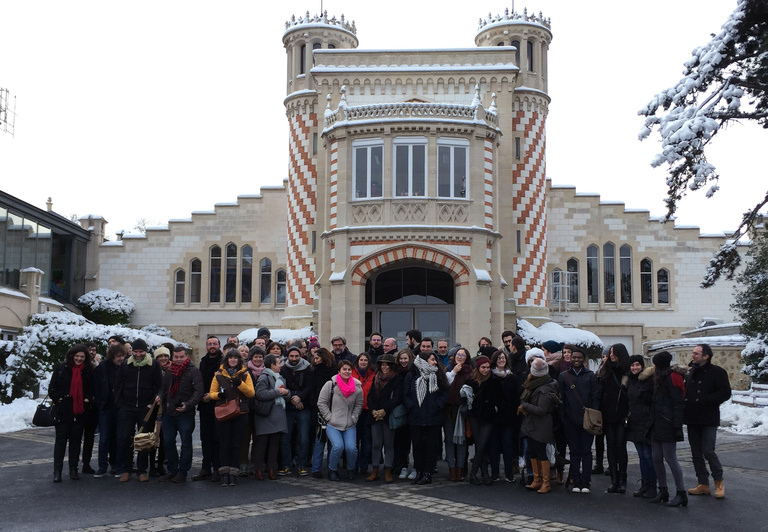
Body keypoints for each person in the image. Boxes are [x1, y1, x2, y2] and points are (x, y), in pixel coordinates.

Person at [685, 343, 732, 499]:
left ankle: (719, 482)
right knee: (696, 453)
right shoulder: (691, 371)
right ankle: (703, 484)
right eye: (693, 353)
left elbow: (725, 393)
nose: (693, 355)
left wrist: (705, 400)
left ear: (706, 356)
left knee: (708, 451)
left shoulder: (717, 372)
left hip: (708, 418)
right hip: (692, 418)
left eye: (696, 353)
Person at [114, 338, 163, 482]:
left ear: (145, 351)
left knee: (144, 440)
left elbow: (159, 385)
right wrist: (120, 404)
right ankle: (126, 469)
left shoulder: (153, 365)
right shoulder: (125, 364)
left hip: (146, 408)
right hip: (127, 407)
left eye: (141, 351)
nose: (138, 354)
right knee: (125, 439)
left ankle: (142, 471)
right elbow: (118, 386)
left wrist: (152, 402)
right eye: (135, 351)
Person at [209, 348, 255, 486]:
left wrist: (239, 384)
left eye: (235, 358)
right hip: (224, 412)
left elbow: (251, 393)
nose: (233, 360)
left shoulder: (245, 374)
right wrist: (219, 395)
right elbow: (211, 393)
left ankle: (233, 473)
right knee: (224, 443)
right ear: (227, 360)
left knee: (236, 444)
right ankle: (224, 473)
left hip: (240, 413)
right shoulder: (218, 374)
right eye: (230, 358)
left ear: (239, 360)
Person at [49, 344, 95, 482]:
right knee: (60, 442)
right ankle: (57, 471)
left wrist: (87, 399)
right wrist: (60, 398)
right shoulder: (61, 368)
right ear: (72, 356)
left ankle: (73, 469)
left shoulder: (88, 370)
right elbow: (52, 388)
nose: (79, 359)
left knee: (76, 442)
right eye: (77, 356)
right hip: (63, 411)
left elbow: (92, 389)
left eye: (82, 356)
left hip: (80, 412)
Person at [158, 346, 203, 483]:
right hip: (169, 413)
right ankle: (172, 470)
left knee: (186, 443)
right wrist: (159, 396)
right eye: (176, 357)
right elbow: (164, 388)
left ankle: (182, 471)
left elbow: (199, 391)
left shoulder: (193, 371)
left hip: (186, 413)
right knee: (168, 442)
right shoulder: (170, 371)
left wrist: (188, 405)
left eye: (181, 357)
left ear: (186, 357)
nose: (178, 360)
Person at [648, 351, 688, 507]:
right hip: (657, 423)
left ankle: (681, 493)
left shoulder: (672, 377)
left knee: (671, 459)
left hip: (668, 423)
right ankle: (663, 490)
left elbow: (678, 403)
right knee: (656, 458)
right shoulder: (659, 378)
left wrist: (676, 425)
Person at [403, 351, 448, 485]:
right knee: (417, 446)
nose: (435, 362)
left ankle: (428, 473)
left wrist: (437, 405)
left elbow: (445, 392)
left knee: (430, 447)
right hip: (416, 417)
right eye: (432, 360)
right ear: (423, 360)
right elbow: (406, 394)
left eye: (435, 360)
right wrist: (412, 407)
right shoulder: (411, 375)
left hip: (433, 417)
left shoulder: (438, 375)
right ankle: (419, 471)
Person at [558, 348, 599, 493]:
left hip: (587, 420)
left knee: (586, 451)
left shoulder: (590, 376)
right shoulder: (564, 376)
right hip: (570, 420)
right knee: (574, 451)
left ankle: (586, 481)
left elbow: (595, 397)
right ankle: (576, 479)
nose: (576, 359)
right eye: (574, 357)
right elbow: (560, 398)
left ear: (583, 359)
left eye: (579, 357)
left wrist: (592, 415)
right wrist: (563, 417)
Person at [519, 357, 560, 494]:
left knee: (540, 452)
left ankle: (545, 482)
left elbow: (541, 410)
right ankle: (537, 480)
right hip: (532, 424)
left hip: (541, 425)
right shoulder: (535, 383)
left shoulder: (545, 388)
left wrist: (524, 405)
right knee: (532, 450)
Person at [317, 359, 363, 481]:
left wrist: (354, 417)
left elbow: (359, 404)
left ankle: (351, 469)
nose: (347, 372)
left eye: (349, 369)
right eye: (344, 369)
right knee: (338, 446)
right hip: (333, 423)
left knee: (351, 448)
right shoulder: (330, 385)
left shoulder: (357, 386)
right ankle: (332, 470)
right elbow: (321, 403)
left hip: (349, 423)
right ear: (339, 371)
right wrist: (329, 417)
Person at [366, 353, 403, 483]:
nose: (384, 366)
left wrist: (384, 410)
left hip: (388, 415)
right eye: (382, 364)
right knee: (376, 444)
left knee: (388, 444)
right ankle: (375, 470)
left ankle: (387, 470)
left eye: (387, 364)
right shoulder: (375, 378)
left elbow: (397, 398)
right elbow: (370, 397)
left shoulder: (396, 379)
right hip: (375, 416)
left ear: (392, 366)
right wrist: (374, 411)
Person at [599, 343, 630, 493]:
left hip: (622, 415)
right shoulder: (606, 369)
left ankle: (623, 479)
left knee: (620, 447)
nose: (611, 355)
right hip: (608, 414)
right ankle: (614, 479)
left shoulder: (626, 370)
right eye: (610, 352)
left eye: (614, 352)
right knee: (610, 447)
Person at [254, 353, 290, 480]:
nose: (281, 365)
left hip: (278, 414)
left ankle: (271, 469)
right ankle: (258, 470)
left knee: (275, 444)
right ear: (272, 365)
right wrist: (278, 392)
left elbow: (286, 394)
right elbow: (260, 394)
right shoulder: (264, 377)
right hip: (266, 415)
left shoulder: (280, 377)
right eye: (279, 363)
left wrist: (286, 393)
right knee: (262, 444)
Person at [626, 354, 657, 498]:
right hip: (634, 422)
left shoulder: (649, 381)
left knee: (648, 456)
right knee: (642, 456)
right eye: (632, 365)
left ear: (642, 366)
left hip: (646, 422)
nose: (635, 368)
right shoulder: (629, 381)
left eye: (637, 365)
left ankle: (653, 486)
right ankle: (645, 484)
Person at [278, 345, 312, 476]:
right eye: (291, 356)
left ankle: (301, 464)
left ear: (300, 356)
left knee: (303, 438)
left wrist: (300, 398)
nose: (294, 358)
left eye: (296, 356)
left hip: (304, 405)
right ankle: (286, 464)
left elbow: (310, 386)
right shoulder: (283, 369)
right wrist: (293, 398)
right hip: (288, 406)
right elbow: (282, 386)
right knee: (285, 437)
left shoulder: (308, 367)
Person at [488, 349, 521, 483]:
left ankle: (509, 474)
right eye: (499, 358)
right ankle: (495, 474)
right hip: (493, 416)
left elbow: (515, 397)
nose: (502, 360)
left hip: (507, 417)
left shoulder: (512, 377)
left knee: (508, 446)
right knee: (493, 447)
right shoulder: (490, 376)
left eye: (503, 358)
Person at [194, 335, 224, 482]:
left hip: (219, 404)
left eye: (215, 344)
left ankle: (217, 468)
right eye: (210, 344)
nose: (212, 346)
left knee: (217, 438)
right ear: (206, 346)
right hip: (205, 406)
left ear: (219, 346)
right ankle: (205, 468)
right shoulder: (203, 362)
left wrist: (211, 396)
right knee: (205, 438)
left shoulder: (223, 361)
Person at [93, 343, 126, 478]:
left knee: (120, 438)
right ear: (112, 356)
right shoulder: (102, 368)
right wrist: (100, 402)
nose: (121, 359)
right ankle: (102, 466)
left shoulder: (125, 368)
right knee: (104, 438)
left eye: (122, 356)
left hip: (121, 408)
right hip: (106, 407)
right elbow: (96, 385)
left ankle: (118, 466)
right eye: (118, 356)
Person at [468, 355, 501, 485]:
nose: (486, 370)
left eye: (488, 367)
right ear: (478, 368)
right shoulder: (471, 380)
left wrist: (494, 408)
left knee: (482, 445)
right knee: (479, 445)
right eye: (483, 367)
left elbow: (500, 398)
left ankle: (473, 473)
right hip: (475, 416)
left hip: (488, 417)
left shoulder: (494, 381)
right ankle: (484, 473)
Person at [444, 347, 472, 482]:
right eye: (458, 354)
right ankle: (452, 469)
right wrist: (454, 372)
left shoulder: (470, 373)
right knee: (449, 441)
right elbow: (444, 387)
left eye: (463, 355)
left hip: (462, 411)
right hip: (449, 410)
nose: (460, 357)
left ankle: (460, 468)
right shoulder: (448, 370)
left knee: (461, 441)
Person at [310, 347, 337, 478]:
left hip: (334, 409)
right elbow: (312, 390)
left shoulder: (335, 371)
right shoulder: (314, 372)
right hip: (319, 409)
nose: (314, 361)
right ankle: (316, 468)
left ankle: (332, 468)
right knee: (320, 440)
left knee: (333, 441)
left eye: (317, 358)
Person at [149, 346, 171, 477]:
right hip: (153, 407)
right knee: (152, 438)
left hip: (167, 408)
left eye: (165, 356)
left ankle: (161, 464)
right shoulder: (151, 369)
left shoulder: (173, 369)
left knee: (164, 438)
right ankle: (152, 465)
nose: (163, 358)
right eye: (160, 356)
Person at [394, 348, 416, 479]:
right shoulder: (395, 373)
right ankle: (402, 465)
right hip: (399, 410)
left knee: (414, 441)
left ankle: (414, 467)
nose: (403, 361)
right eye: (401, 359)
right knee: (400, 441)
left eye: (405, 359)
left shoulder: (414, 372)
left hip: (412, 409)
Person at [352, 352, 375, 475]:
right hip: (355, 410)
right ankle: (353, 465)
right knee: (354, 440)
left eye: (366, 360)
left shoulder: (373, 374)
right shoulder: (351, 372)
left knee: (366, 440)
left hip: (367, 410)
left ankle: (364, 465)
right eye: (361, 360)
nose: (363, 362)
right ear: (358, 361)